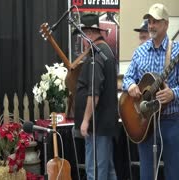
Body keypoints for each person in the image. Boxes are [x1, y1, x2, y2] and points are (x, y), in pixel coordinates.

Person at [122, 3, 179, 180]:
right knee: (146, 174)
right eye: (150, 21)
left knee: (173, 172)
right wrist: (131, 86)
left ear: (166, 24)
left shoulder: (176, 51)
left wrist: (174, 93)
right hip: (144, 124)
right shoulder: (140, 52)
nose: (151, 25)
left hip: (170, 122)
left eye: (156, 21)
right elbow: (127, 77)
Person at [73, 13, 119, 180]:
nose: (83, 40)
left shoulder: (97, 55)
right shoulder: (105, 52)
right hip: (103, 124)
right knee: (107, 169)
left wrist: (86, 120)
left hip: (97, 124)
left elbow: (94, 92)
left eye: (82, 35)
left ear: (89, 33)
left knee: (95, 171)